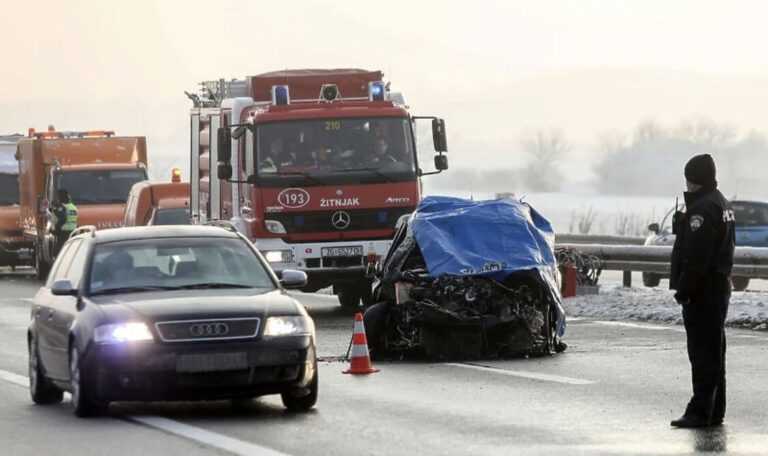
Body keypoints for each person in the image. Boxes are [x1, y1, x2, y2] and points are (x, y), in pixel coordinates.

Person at [669, 154, 735, 428]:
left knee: (702, 353)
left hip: (703, 291)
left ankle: (699, 411)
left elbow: (697, 257)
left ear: (694, 179)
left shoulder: (701, 210)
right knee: (715, 352)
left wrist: (684, 289)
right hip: (718, 288)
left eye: (688, 178)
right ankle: (714, 409)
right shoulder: (722, 204)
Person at [51, 189, 78, 256]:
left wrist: (56, 230)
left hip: (63, 233)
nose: (57, 199)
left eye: (58, 197)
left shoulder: (62, 207)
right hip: (73, 232)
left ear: (61, 197)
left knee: (59, 254)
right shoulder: (73, 207)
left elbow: (63, 218)